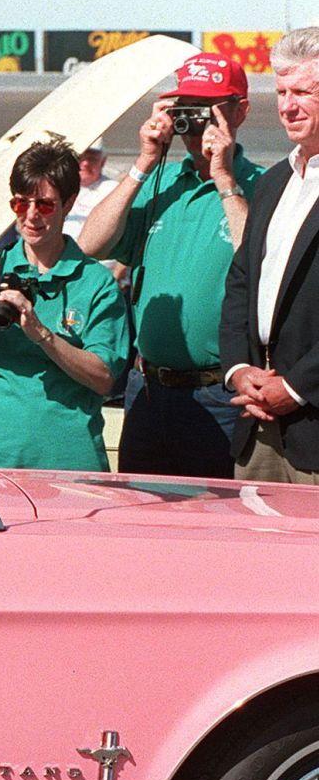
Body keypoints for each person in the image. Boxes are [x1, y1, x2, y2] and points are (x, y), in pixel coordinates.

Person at [78, 53, 263, 479]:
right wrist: (144, 162)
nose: (196, 126)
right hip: (149, 391)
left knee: (216, 527)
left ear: (240, 110)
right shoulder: (162, 183)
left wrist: (223, 177)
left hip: (218, 392)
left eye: (208, 110)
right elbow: (90, 243)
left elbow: (256, 260)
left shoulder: (259, 186)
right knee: (144, 522)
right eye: (187, 111)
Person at [0, 141, 128, 471]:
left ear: (69, 204)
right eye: (21, 204)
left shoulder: (95, 282)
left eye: (46, 205)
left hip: (70, 464)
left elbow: (104, 378)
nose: (32, 216)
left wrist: (42, 334)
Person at [221, 28, 319, 484]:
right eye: (281, 92)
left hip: (311, 424)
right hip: (256, 421)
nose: (287, 105)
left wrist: (297, 388)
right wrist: (239, 370)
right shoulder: (273, 182)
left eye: (302, 91)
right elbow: (241, 281)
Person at [62, 145, 118, 239]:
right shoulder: (60, 187)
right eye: (80, 158)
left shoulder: (113, 190)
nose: (85, 163)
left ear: (103, 162)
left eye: (92, 159)